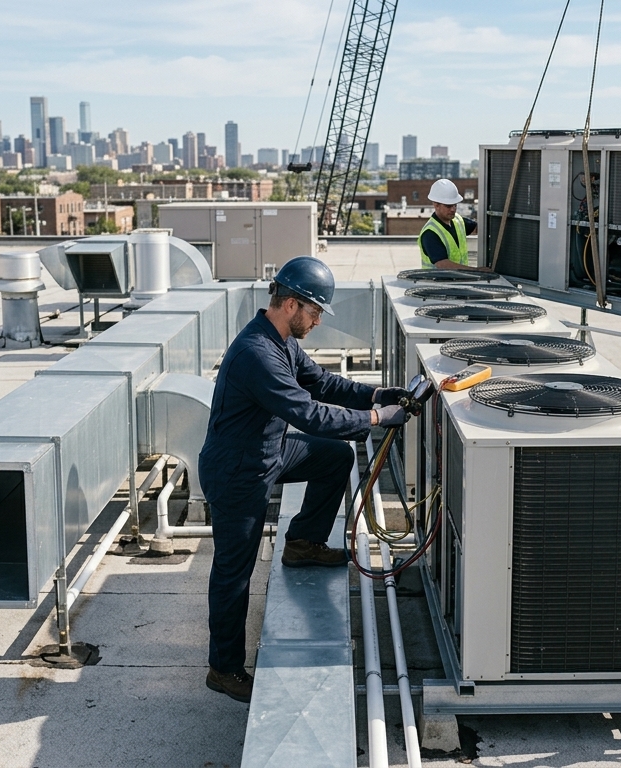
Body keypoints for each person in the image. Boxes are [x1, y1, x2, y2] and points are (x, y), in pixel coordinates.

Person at [198, 256, 411, 703]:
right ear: (292, 304)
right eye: (315, 313)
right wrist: (374, 418)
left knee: (334, 459)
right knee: (234, 574)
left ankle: (302, 544)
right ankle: (224, 668)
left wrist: (376, 394)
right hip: (239, 472)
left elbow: (321, 383)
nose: (317, 322)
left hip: (269, 452)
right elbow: (307, 412)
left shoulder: (282, 341)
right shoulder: (257, 353)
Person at [420, 178, 480, 270]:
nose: (453, 209)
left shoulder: (458, 220)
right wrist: (477, 271)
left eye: (455, 205)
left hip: (459, 280)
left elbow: (479, 228)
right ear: (436, 205)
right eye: (448, 206)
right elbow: (443, 264)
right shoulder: (430, 233)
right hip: (438, 283)